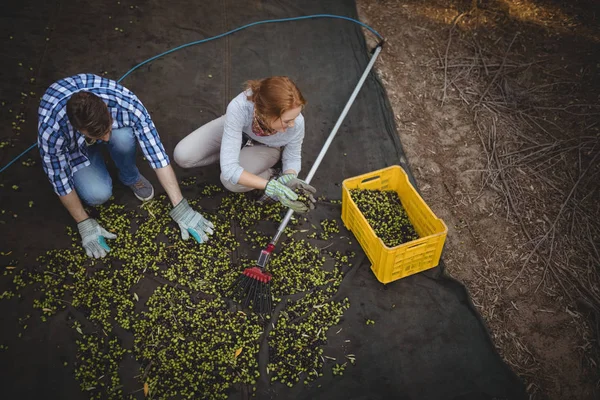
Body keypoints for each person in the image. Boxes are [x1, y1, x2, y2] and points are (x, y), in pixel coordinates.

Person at [38, 74, 214, 259]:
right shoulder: (52, 132)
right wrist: (84, 222)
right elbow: (60, 180)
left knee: (121, 138)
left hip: (103, 129)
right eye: (98, 136)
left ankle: (130, 176)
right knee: (97, 195)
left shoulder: (125, 102)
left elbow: (157, 154)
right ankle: (91, 155)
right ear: (78, 129)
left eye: (107, 130)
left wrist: (180, 206)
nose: (106, 139)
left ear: (106, 108)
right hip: (75, 150)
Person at [173, 76, 316, 212]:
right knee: (183, 156)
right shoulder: (240, 107)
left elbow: (292, 156)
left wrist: (288, 177)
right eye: (286, 121)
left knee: (231, 182)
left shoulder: (296, 123)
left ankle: (272, 174)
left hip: (266, 147)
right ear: (266, 113)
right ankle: (234, 155)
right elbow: (230, 169)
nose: (292, 124)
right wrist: (268, 186)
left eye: (295, 117)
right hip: (238, 130)